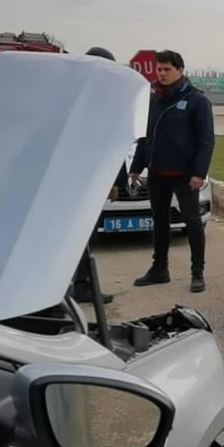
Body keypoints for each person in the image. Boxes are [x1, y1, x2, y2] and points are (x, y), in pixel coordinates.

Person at [129, 50, 215, 293]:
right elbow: (146, 136)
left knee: (192, 223)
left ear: (180, 69)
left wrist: (199, 173)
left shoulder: (197, 101)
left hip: (185, 175)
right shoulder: (154, 99)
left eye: (167, 69)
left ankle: (197, 273)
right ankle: (159, 269)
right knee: (160, 222)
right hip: (157, 173)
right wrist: (137, 167)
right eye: (159, 69)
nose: (162, 74)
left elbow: (206, 141)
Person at [68, 45, 129, 305]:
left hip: (87, 178)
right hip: (78, 179)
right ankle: (74, 285)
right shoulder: (85, 98)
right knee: (77, 236)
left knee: (83, 235)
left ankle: (80, 284)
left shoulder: (96, 97)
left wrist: (116, 181)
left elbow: (116, 141)